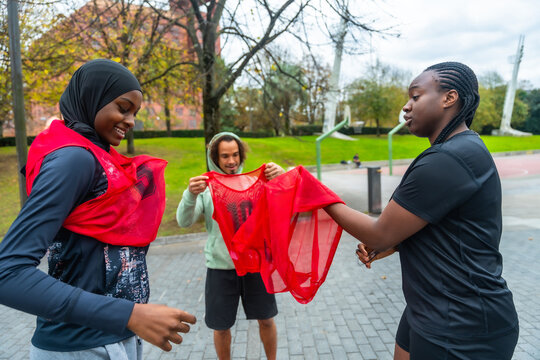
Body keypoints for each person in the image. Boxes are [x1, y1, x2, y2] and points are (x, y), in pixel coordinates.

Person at [0, 59, 196, 359]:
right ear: (91, 98)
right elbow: (8, 272)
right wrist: (128, 314)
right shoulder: (73, 160)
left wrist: (128, 320)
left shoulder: (101, 162)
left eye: (134, 113)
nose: (130, 121)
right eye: (122, 107)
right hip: (81, 346)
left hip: (115, 338)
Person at [324, 62, 519, 359]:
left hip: (464, 324)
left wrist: (318, 196)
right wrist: (398, 243)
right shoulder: (460, 150)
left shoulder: (450, 158)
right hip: (429, 307)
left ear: (448, 98)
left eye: (415, 97)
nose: (406, 106)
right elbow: (448, 225)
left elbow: (378, 233)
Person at [176, 132, 284, 360]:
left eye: (235, 154)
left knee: (266, 319)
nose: (231, 161)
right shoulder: (206, 187)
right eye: (225, 156)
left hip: (255, 265)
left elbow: (284, 208)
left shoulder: (254, 183)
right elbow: (184, 221)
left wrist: (281, 179)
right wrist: (190, 195)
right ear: (215, 158)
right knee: (221, 326)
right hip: (220, 269)